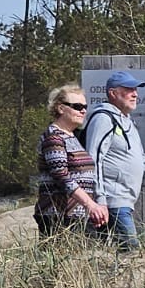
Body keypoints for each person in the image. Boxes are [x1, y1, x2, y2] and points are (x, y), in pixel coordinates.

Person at [82, 70, 145, 251]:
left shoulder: (126, 121)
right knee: (131, 251)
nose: (135, 94)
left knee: (117, 254)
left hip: (122, 202)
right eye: (128, 90)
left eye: (135, 89)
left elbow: (140, 158)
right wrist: (100, 199)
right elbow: (93, 159)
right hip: (112, 201)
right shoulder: (103, 119)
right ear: (113, 93)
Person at [35, 83, 109, 236]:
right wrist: (90, 205)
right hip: (59, 216)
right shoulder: (54, 138)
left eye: (85, 107)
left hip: (79, 215)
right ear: (61, 108)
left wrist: (95, 205)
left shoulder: (72, 137)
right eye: (77, 106)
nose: (83, 111)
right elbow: (61, 176)